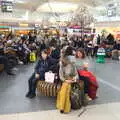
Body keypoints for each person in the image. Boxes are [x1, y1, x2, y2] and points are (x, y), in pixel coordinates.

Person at [56, 46, 78, 113]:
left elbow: (76, 74)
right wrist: (66, 80)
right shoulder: (62, 64)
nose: (71, 60)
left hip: (71, 79)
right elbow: (61, 75)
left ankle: (61, 107)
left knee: (65, 88)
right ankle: (65, 108)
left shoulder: (72, 64)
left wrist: (74, 78)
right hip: (65, 80)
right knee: (66, 88)